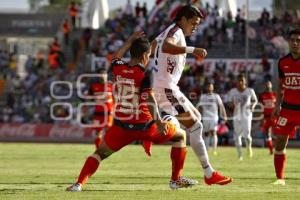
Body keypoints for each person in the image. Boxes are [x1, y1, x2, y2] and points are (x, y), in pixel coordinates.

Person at [66, 32, 197, 191]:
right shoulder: (143, 75)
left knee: (99, 153)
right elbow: (149, 100)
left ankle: (79, 184)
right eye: (148, 54)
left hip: (121, 127)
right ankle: (175, 180)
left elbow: (115, 57)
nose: (148, 57)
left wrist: (129, 41)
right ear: (144, 56)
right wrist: (158, 122)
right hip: (146, 127)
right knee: (180, 136)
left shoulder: (119, 68)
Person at [151, 5, 232, 185]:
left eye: (197, 24)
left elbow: (154, 45)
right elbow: (165, 46)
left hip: (167, 86)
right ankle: (206, 173)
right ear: (183, 20)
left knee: (196, 121)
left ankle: (201, 174)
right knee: (194, 125)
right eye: (193, 23)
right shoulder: (176, 32)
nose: (195, 27)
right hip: (166, 88)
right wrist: (191, 49)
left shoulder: (168, 30)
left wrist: (154, 65)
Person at [272, 29, 300, 186]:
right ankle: (279, 178)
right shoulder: (283, 62)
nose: (295, 43)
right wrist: (277, 104)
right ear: (289, 42)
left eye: (298, 40)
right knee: (280, 141)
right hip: (287, 109)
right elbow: (280, 85)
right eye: (293, 40)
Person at [228, 74, 258, 160]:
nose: (241, 82)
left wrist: (253, 106)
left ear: (245, 82)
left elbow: (255, 100)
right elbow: (229, 102)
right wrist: (231, 105)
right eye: (239, 80)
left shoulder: (250, 91)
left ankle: (249, 147)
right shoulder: (233, 91)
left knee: (247, 135)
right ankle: (240, 154)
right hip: (236, 115)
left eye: (242, 80)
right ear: (237, 82)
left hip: (247, 115)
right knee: (237, 135)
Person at [198, 82, 227, 155]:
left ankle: (214, 149)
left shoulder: (216, 96)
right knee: (206, 133)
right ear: (206, 88)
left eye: (210, 87)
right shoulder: (203, 97)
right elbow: (200, 107)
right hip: (205, 117)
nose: (209, 88)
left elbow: (221, 106)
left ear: (213, 88)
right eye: (208, 87)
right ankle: (207, 150)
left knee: (213, 132)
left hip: (214, 117)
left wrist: (224, 115)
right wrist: (198, 116)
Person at [88, 69, 114, 149]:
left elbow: (116, 97)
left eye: (104, 74)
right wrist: (96, 98)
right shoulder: (93, 86)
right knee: (98, 132)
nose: (102, 76)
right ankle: (98, 149)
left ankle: (107, 149)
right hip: (97, 113)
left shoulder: (111, 85)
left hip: (109, 112)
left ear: (106, 76)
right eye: (100, 74)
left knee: (108, 131)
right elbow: (89, 97)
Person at [259, 80, 276, 155]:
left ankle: (278, 147)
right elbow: (261, 107)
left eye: (269, 84)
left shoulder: (275, 94)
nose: (268, 85)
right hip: (266, 117)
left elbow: (278, 105)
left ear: (271, 85)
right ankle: (271, 149)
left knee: (278, 133)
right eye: (267, 84)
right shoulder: (262, 95)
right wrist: (261, 117)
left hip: (274, 117)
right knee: (267, 133)